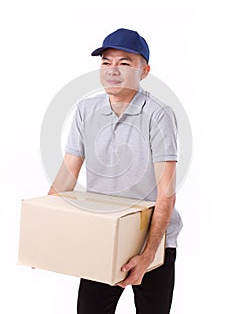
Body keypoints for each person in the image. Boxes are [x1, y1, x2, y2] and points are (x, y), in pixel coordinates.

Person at [48, 28, 183, 314]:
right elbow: (65, 179)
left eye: (124, 63)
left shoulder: (158, 115)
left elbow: (166, 192)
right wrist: (45, 231)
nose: (112, 70)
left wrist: (147, 257)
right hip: (104, 233)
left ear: (144, 71)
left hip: (154, 240)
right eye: (106, 62)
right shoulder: (85, 110)